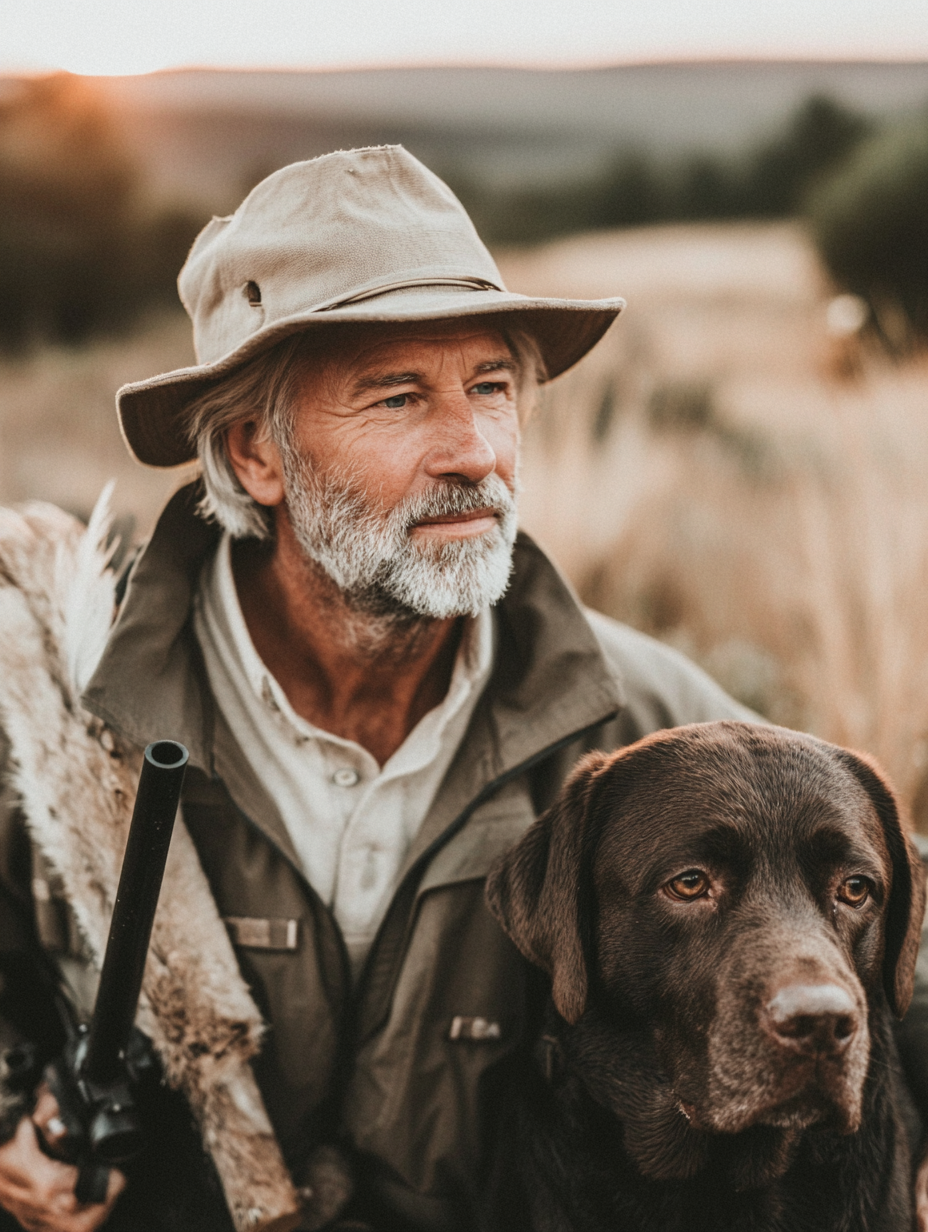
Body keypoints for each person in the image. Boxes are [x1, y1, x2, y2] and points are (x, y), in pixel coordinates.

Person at [0, 145, 925, 1232]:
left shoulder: (645, 720)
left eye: (492, 385)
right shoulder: (58, 716)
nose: (476, 449)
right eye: (399, 398)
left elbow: (875, 944)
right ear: (256, 453)